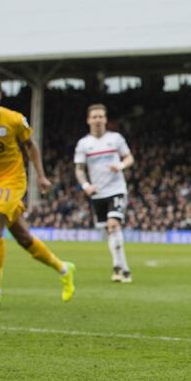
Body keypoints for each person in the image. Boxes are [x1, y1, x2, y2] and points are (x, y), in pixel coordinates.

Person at [0, 75, 76, 307]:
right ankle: (64, 269)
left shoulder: (14, 120)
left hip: (13, 179)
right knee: (23, 237)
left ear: (0, 96)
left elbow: (31, 146)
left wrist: (40, 176)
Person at [74, 104, 134, 283]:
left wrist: (121, 166)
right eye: (95, 117)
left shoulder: (115, 139)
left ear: (106, 119)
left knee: (113, 224)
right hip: (97, 193)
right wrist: (86, 186)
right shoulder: (84, 144)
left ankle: (119, 268)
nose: (98, 120)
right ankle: (124, 269)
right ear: (88, 120)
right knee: (109, 230)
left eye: (101, 116)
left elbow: (129, 157)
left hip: (116, 189)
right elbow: (79, 169)